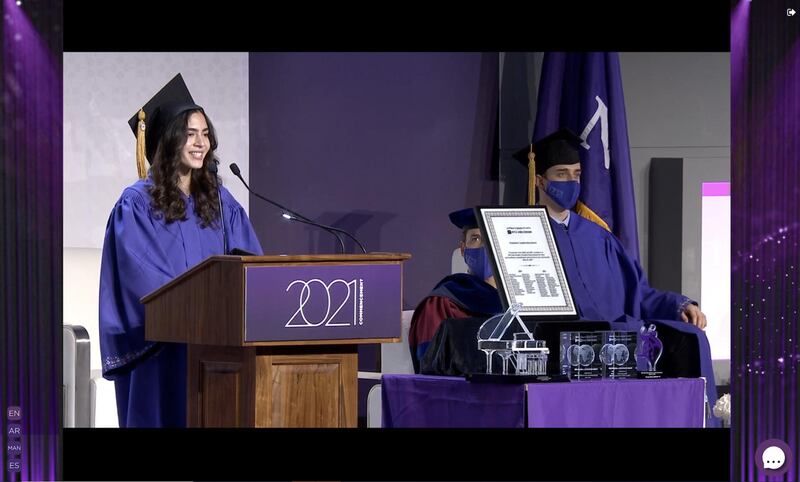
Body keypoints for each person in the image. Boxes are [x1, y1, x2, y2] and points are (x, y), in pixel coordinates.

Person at [98, 74, 263, 427]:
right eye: (190, 134)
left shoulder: (220, 201)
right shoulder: (137, 203)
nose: (201, 142)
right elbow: (139, 275)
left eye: (205, 134)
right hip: (163, 347)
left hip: (217, 346)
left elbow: (250, 263)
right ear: (169, 141)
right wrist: (198, 308)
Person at [407, 208, 503, 373]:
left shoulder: (527, 302)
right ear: (463, 249)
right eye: (476, 238)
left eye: (492, 238)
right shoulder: (442, 303)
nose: (485, 247)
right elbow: (431, 370)